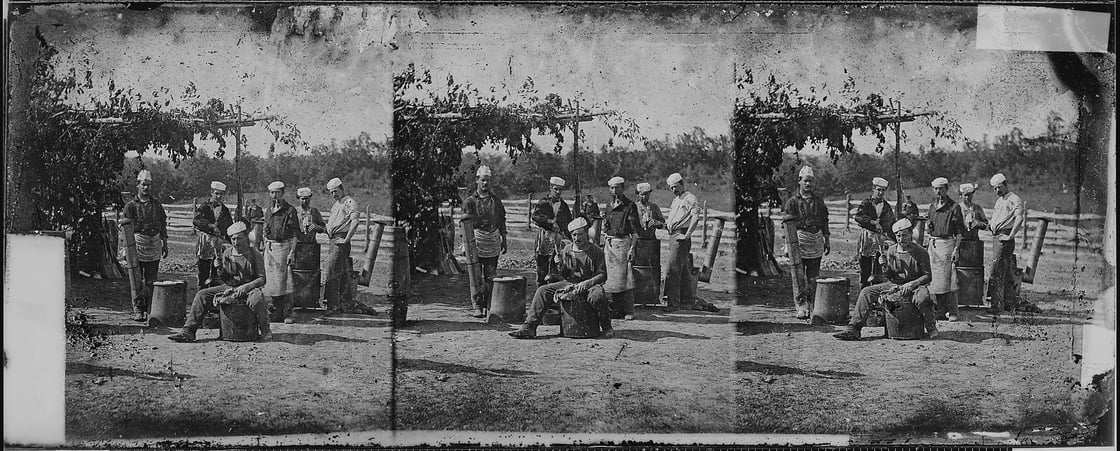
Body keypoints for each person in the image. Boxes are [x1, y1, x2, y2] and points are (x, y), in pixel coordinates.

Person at [833, 218, 938, 340]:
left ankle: (931, 327)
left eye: (904, 235)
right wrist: (884, 266)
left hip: (915, 286)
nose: (901, 239)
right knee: (866, 292)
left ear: (911, 234)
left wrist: (912, 284)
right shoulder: (892, 250)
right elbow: (890, 276)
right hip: (894, 284)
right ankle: (854, 328)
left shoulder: (920, 252)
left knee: (923, 298)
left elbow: (927, 276)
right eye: (898, 236)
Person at [509, 217, 613, 339]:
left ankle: (607, 327)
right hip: (570, 282)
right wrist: (560, 264)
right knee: (542, 291)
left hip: (590, 285)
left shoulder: (596, 251)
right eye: (574, 235)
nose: (576, 238)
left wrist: (587, 283)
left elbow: (602, 274)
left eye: (580, 235)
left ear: (586, 234)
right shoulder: (568, 249)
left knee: (598, 296)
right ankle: (529, 327)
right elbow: (564, 274)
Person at [168, 222, 272, 343]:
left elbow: (261, 279)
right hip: (231, 286)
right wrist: (220, 270)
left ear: (246, 237)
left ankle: (265, 330)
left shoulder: (254, 254)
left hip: (249, 288)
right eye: (233, 239)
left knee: (257, 299)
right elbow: (227, 278)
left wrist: (245, 288)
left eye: (239, 238)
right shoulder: (228, 253)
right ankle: (189, 330)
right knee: (202, 295)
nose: (236, 242)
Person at [986, 173, 1040, 313]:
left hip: (1005, 237)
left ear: (1005, 184)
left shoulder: (1014, 199)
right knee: (1002, 271)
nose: (997, 190)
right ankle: (1006, 302)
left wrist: (1010, 236)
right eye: (995, 188)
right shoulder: (999, 201)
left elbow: (1019, 218)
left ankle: (997, 306)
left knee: (996, 272)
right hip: (997, 237)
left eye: (999, 187)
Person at [322, 178, 374, 315]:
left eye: (336, 191)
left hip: (341, 242)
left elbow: (355, 222)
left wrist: (346, 240)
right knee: (343, 274)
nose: (334, 194)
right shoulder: (335, 205)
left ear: (342, 188)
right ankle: (344, 304)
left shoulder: (349, 202)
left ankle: (332, 307)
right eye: (331, 192)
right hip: (333, 241)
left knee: (331, 274)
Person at [783, 166, 830, 319]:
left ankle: (812, 305)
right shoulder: (792, 202)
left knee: (813, 276)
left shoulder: (819, 202)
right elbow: (787, 225)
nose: (808, 184)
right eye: (805, 181)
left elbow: (824, 221)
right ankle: (801, 306)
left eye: (810, 181)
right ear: (800, 182)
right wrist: (787, 245)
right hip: (799, 241)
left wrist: (827, 240)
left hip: (816, 240)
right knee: (799, 276)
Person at [462, 165, 508, 318]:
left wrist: (504, 239)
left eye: (487, 181)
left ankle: (489, 305)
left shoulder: (496, 201)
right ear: (477, 181)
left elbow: (502, 220)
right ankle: (477, 306)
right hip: (476, 240)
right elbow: (464, 224)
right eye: (482, 180)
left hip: (492, 239)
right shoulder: (469, 202)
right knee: (476, 276)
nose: (485, 184)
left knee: (490, 275)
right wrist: (465, 244)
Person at [123, 169, 168, 322]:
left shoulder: (157, 205)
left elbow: (162, 224)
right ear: (138, 185)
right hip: (137, 244)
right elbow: (125, 228)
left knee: (151, 279)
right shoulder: (131, 206)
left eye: (148, 185)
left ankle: (150, 309)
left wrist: (165, 243)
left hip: (154, 243)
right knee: (137, 279)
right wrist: (125, 249)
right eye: (143, 185)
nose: (146, 188)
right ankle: (138, 309)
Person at [926, 177, 966, 322]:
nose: (938, 192)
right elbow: (930, 226)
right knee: (936, 280)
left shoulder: (954, 207)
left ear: (946, 189)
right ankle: (940, 311)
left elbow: (960, 232)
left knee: (950, 278)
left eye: (941, 189)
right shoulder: (932, 206)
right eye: (936, 189)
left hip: (948, 244)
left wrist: (956, 249)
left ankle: (953, 311)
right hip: (934, 245)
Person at [602, 176, 642, 320]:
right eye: (612, 188)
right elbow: (606, 225)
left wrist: (633, 248)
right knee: (612, 280)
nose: (615, 190)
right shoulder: (608, 205)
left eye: (617, 187)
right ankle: (616, 310)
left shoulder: (630, 206)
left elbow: (635, 231)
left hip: (624, 244)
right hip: (610, 245)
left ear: (622, 188)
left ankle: (629, 311)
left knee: (626, 278)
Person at [261, 181, 300, 323]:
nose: (274, 196)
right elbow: (265, 227)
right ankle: (275, 312)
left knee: (285, 281)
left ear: (283, 193)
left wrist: (292, 252)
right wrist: (265, 241)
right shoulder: (268, 210)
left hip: (284, 247)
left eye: (277, 192)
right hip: (270, 248)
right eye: (272, 193)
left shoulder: (290, 210)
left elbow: (295, 234)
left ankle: (288, 313)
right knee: (271, 282)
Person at [662, 172, 702, 312]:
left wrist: (687, 235)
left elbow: (696, 217)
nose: (674, 190)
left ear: (682, 183)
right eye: (671, 188)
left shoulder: (689, 198)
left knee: (672, 271)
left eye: (676, 186)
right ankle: (687, 301)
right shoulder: (676, 200)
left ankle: (674, 304)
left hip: (681, 236)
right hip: (673, 236)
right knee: (683, 270)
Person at [853, 177, 896, 289]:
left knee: (879, 267)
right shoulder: (866, 203)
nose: (881, 193)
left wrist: (894, 239)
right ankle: (863, 291)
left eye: (883, 190)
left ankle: (876, 294)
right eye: (878, 190)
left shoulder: (886, 207)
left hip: (880, 239)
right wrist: (872, 222)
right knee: (865, 267)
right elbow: (858, 216)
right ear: (873, 189)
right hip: (867, 237)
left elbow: (891, 223)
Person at [530, 176, 572, 286]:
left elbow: (569, 223)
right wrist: (550, 222)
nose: (558, 192)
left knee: (556, 266)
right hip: (545, 237)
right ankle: (540, 290)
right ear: (550, 188)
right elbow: (535, 217)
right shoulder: (543, 202)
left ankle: (552, 293)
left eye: (560, 189)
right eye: (555, 189)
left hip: (558, 239)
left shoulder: (564, 206)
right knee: (542, 265)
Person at [193, 181, 234, 289]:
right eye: (216, 193)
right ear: (211, 193)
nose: (219, 196)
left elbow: (229, 227)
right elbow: (196, 220)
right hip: (206, 241)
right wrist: (211, 225)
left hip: (218, 242)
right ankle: (201, 292)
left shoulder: (224, 210)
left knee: (217, 269)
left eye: (221, 194)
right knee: (204, 268)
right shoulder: (204, 207)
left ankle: (213, 293)